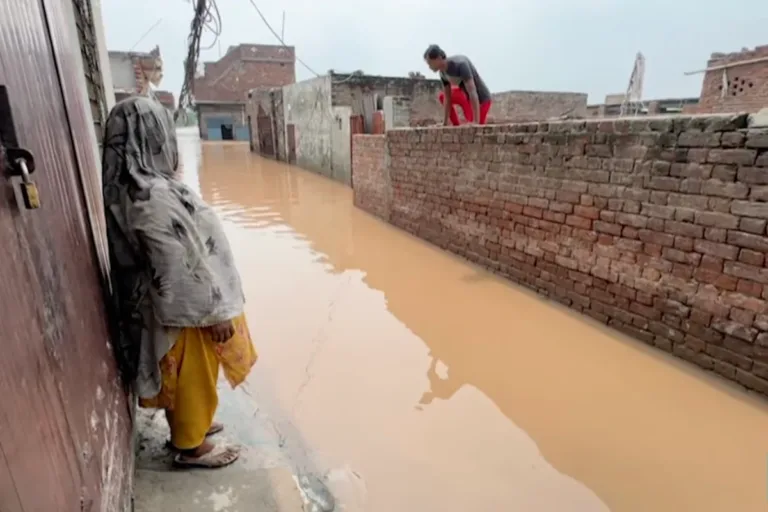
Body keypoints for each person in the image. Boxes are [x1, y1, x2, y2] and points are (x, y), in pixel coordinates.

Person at [102, 96, 258, 469]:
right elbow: (173, 264)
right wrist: (213, 312)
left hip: (164, 307)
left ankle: (195, 425)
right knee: (191, 374)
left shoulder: (135, 187)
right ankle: (191, 447)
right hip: (182, 313)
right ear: (153, 137)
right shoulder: (151, 197)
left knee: (182, 375)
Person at [424, 44, 492, 126]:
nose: (429, 67)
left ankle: (475, 120)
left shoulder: (460, 64)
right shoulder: (442, 73)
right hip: (467, 97)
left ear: (439, 58)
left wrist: (475, 122)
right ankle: (456, 124)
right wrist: (444, 123)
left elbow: (472, 91)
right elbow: (447, 98)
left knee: (474, 130)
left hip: (482, 100)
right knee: (443, 97)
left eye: (430, 63)